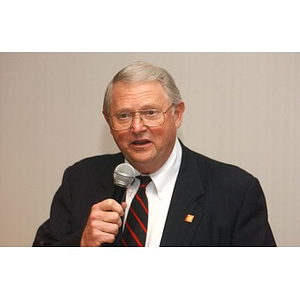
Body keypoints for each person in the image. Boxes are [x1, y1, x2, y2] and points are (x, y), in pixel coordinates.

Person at [33, 61, 276, 247]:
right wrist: (82, 243)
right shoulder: (80, 180)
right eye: (124, 116)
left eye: (150, 112)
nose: (137, 128)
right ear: (108, 121)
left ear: (177, 114)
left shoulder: (235, 191)